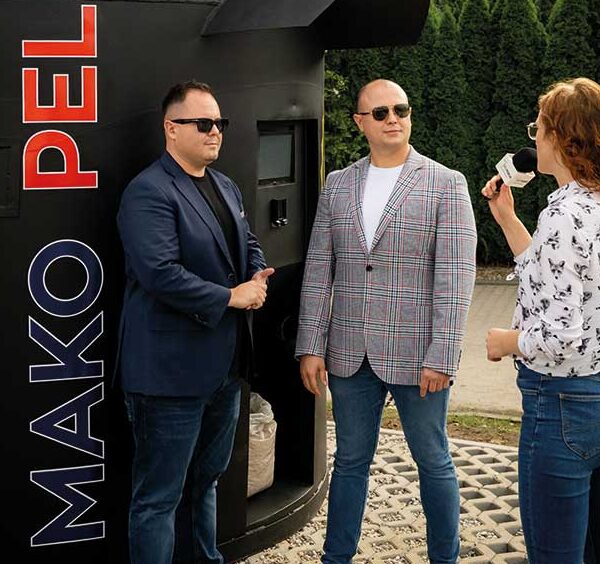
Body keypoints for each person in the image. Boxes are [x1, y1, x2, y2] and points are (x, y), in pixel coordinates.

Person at [296, 78, 477, 564]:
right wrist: (310, 344)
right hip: (349, 354)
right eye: (380, 113)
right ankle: (336, 558)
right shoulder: (338, 184)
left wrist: (443, 354)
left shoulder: (446, 183)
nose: (393, 118)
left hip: (419, 358)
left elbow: (456, 278)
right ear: (360, 122)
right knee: (350, 461)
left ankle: (445, 558)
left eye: (401, 109)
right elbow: (319, 269)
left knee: (433, 460)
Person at [116, 80, 273, 564]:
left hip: (224, 371)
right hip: (167, 376)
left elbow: (247, 244)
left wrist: (256, 275)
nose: (215, 132)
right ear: (171, 128)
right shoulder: (148, 191)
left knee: (206, 482)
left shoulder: (225, 185)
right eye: (203, 123)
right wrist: (230, 296)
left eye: (219, 123)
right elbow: (159, 273)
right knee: (158, 498)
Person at [483, 77, 600, 564]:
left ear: (562, 138)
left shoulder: (563, 215)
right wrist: (508, 219)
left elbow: (559, 336)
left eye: (539, 128)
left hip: (561, 406)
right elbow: (556, 279)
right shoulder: (589, 207)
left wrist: (506, 341)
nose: (534, 137)